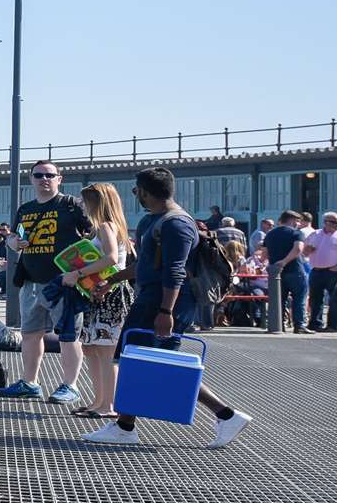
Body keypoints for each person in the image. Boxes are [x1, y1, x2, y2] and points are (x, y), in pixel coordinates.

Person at [84, 167, 253, 448]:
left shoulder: (176, 224)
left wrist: (165, 313)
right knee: (145, 361)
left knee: (149, 362)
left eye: (137, 189)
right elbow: (146, 266)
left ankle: (225, 415)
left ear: (147, 192)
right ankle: (127, 426)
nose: (135, 194)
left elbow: (175, 271)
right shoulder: (155, 220)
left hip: (167, 300)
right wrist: (110, 280)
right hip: (154, 296)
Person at [0, 162, 92, 403]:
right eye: (39, 175)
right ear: (31, 179)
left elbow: (95, 234)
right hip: (30, 280)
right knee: (30, 334)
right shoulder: (25, 209)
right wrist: (12, 243)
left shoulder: (71, 205)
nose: (44, 179)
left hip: (64, 282)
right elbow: (16, 236)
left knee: (69, 335)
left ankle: (70, 385)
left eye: (50, 175)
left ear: (59, 179)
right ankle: (30, 382)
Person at [59, 182, 133, 419]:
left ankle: (108, 404)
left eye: (85, 201)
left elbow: (111, 258)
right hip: (98, 292)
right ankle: (98, 400)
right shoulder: (108, 227)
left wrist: (77, 273)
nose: (82, 206)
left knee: (106, 351)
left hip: (109, 293)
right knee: (92, 348)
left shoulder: (105, 226)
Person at [303, 212, 337, 332]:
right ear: (325, 222)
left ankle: (333, 325)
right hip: (316, 270)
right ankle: (315, 324)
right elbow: (304, 250)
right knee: (315, 299)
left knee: (335, 299)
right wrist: (307, 250)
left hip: (335, 271)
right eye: (334, 222)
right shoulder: (315, 234)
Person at [264, 210, 311, 331]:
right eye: (297, 221)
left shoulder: (270, 234)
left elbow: (264, 253)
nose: (299, 224)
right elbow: (298, 249)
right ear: (291, 220)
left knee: (279, 299)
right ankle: (299, 325)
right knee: (299, 298)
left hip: (277, 272)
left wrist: (274, 263)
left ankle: (279, 324)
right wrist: (284, 261)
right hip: (295, 269)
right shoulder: (296, 233)